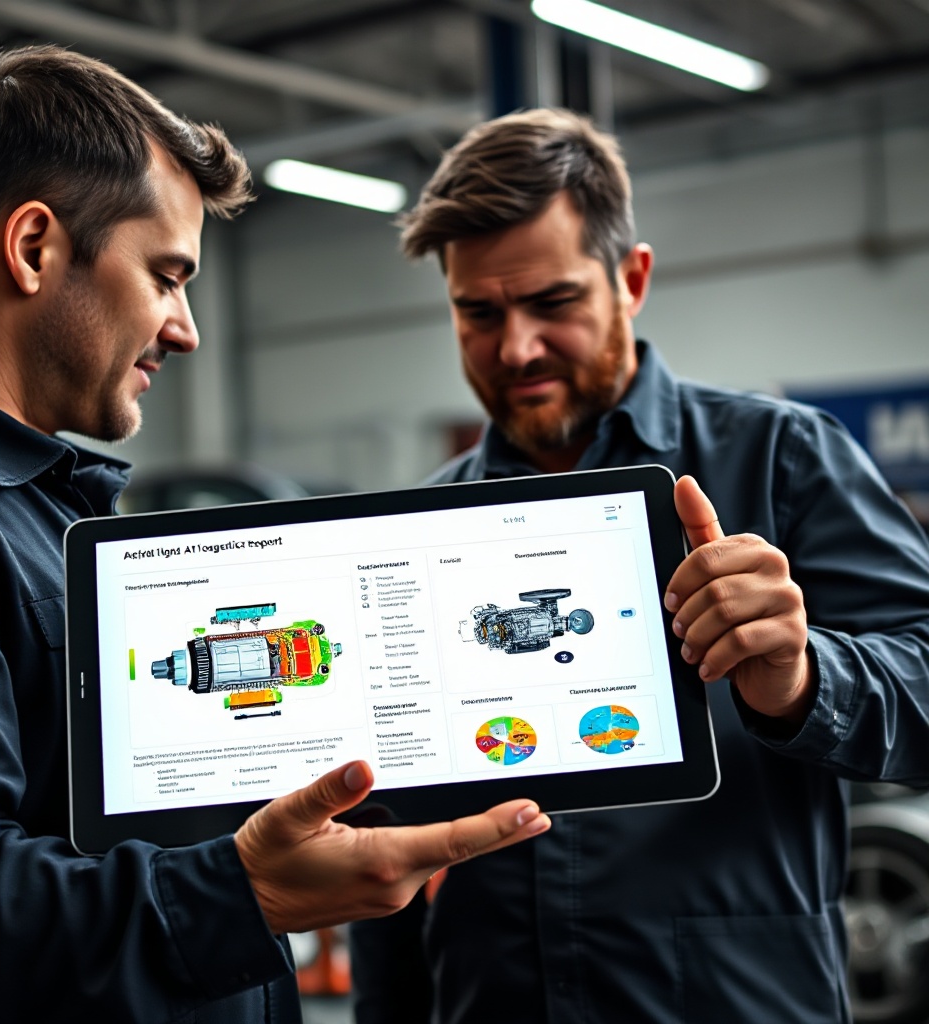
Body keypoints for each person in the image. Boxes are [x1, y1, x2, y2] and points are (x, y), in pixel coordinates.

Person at [0, 47, 552, 1024]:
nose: (185, 328)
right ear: (35, 247)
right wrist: (243, 891)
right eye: (167, 276)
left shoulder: (54, 512)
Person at [349, 108, 929, 1023]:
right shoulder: (419, 526)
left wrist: (806, 678)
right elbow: (387, 844)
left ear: (632, 279)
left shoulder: (781, 457)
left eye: (553, 302)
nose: (516, 348)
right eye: (478, 313)